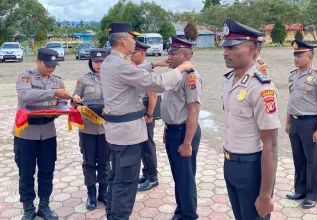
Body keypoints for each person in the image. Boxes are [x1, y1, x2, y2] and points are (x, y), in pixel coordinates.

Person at [101, 22, 195, 220]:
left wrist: (154, 64)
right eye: (133, 38)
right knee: (126, 182)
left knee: (116, 178)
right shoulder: (120, 64)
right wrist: (181, 69)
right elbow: (157, 83)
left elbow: (131, 71)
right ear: (123, 40)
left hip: (116, 133)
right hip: (127, 135)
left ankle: (111, 214)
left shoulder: (111, 61)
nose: (136, 41)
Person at [221, 19, 280, 220]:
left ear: (255, 50)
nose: (225, 53)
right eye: (225, 47)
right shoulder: (229, 80)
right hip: (230, 163)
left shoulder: (262, 88)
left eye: (233, 47)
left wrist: (265, 195)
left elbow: (271, 145)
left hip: (251, 168)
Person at [13, 48, 72, 220]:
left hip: (47, 132)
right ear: (37, 61)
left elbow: (62, 102)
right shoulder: (26, 77)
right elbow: (25, 96)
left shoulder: (57, 80)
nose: (51, 68)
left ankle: (44, 206)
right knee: (26, 172)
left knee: (47, 170)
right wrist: (53, 93)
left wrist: (62, 108)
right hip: (26, 133)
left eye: (54, 65)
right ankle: (28, 208)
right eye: (47, 65)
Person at [161, 35, 202, 220]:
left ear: (186, 55)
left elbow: (193, 111)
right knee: (178, 175)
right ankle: (181, 210)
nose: (168, 56)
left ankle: (189, 215)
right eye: (168, 52)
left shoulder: (190, 76)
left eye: (173, 53)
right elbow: (171, 105)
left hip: (184, 132)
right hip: (173, 130)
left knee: (185, 177)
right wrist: (166, 129)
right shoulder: (174, 74)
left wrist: (187, 142)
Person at [285, 40, 317, 208]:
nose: (296, 59)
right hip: (295, 123)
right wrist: (288, 122)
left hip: (310, 122)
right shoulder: (293, 75)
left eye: (300, 55)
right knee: (299, 158)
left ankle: (313, 194)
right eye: (295, 55)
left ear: (310, 57)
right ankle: (301, 189)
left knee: (313, 161)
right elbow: (291, 100)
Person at [72, 48, 111, 210]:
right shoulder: (83, 80)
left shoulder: (113, 79)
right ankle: (90, 194)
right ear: (91, 62)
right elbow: (74, 101)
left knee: (105, 162)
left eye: (102, 62)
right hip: (87, 128)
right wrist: (75, 99)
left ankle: (103, 192)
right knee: (89, 162)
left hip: (106, 128)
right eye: (96, 62)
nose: (99, 65)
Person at [130, 41, 159, 192]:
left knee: (148, 146)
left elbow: (153, 95)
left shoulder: (148, 71)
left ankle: (153, 178)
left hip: (146, 112)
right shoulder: (135, 69)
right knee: (142, 146)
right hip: (137, 111)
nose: (130, 55)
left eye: (133, 53)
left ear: (141, 53)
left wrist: (150, 114)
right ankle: (146, 173)